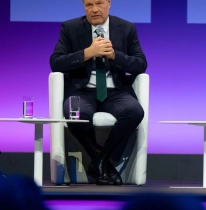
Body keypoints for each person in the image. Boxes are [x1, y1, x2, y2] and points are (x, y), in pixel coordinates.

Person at [50, 0, 147, 185]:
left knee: (135, 111)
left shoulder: (126, 28)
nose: (94, 9)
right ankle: (103, 164)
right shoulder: (70, 28)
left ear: (109, 3)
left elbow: (140, 64)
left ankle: (100, 161)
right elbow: (56, 62)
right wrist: (87, 53)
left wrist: (114, 56)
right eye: (88, 5)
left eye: (99, 3)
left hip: (115, 91)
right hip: (82, 91)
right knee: (75, 114)